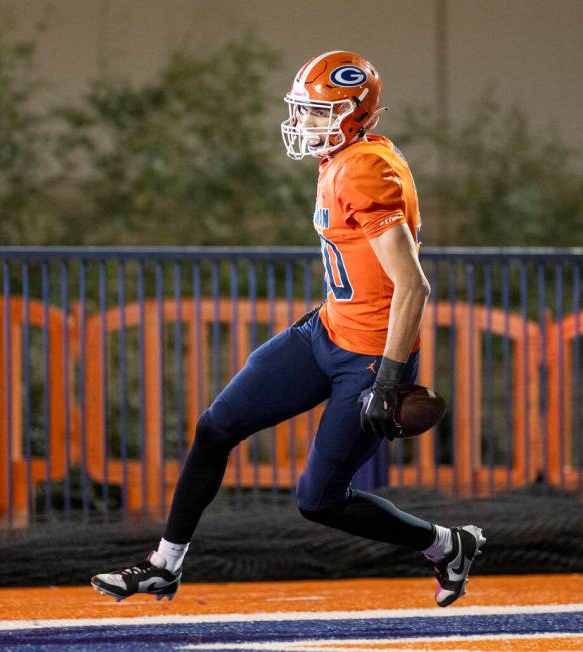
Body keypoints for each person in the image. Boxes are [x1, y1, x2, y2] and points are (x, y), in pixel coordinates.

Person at [91, 51, 485, 608]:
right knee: (216, 428)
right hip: (326, 331)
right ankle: (164, 565)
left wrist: (389, 378)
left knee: (318, 500)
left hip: (370, 357)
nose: (305, 123)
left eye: (320, 113)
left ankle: (448, 545)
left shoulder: (366, 168)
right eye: (304, 111)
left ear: (355, 114)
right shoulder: (345, 159)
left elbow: (413, 287)